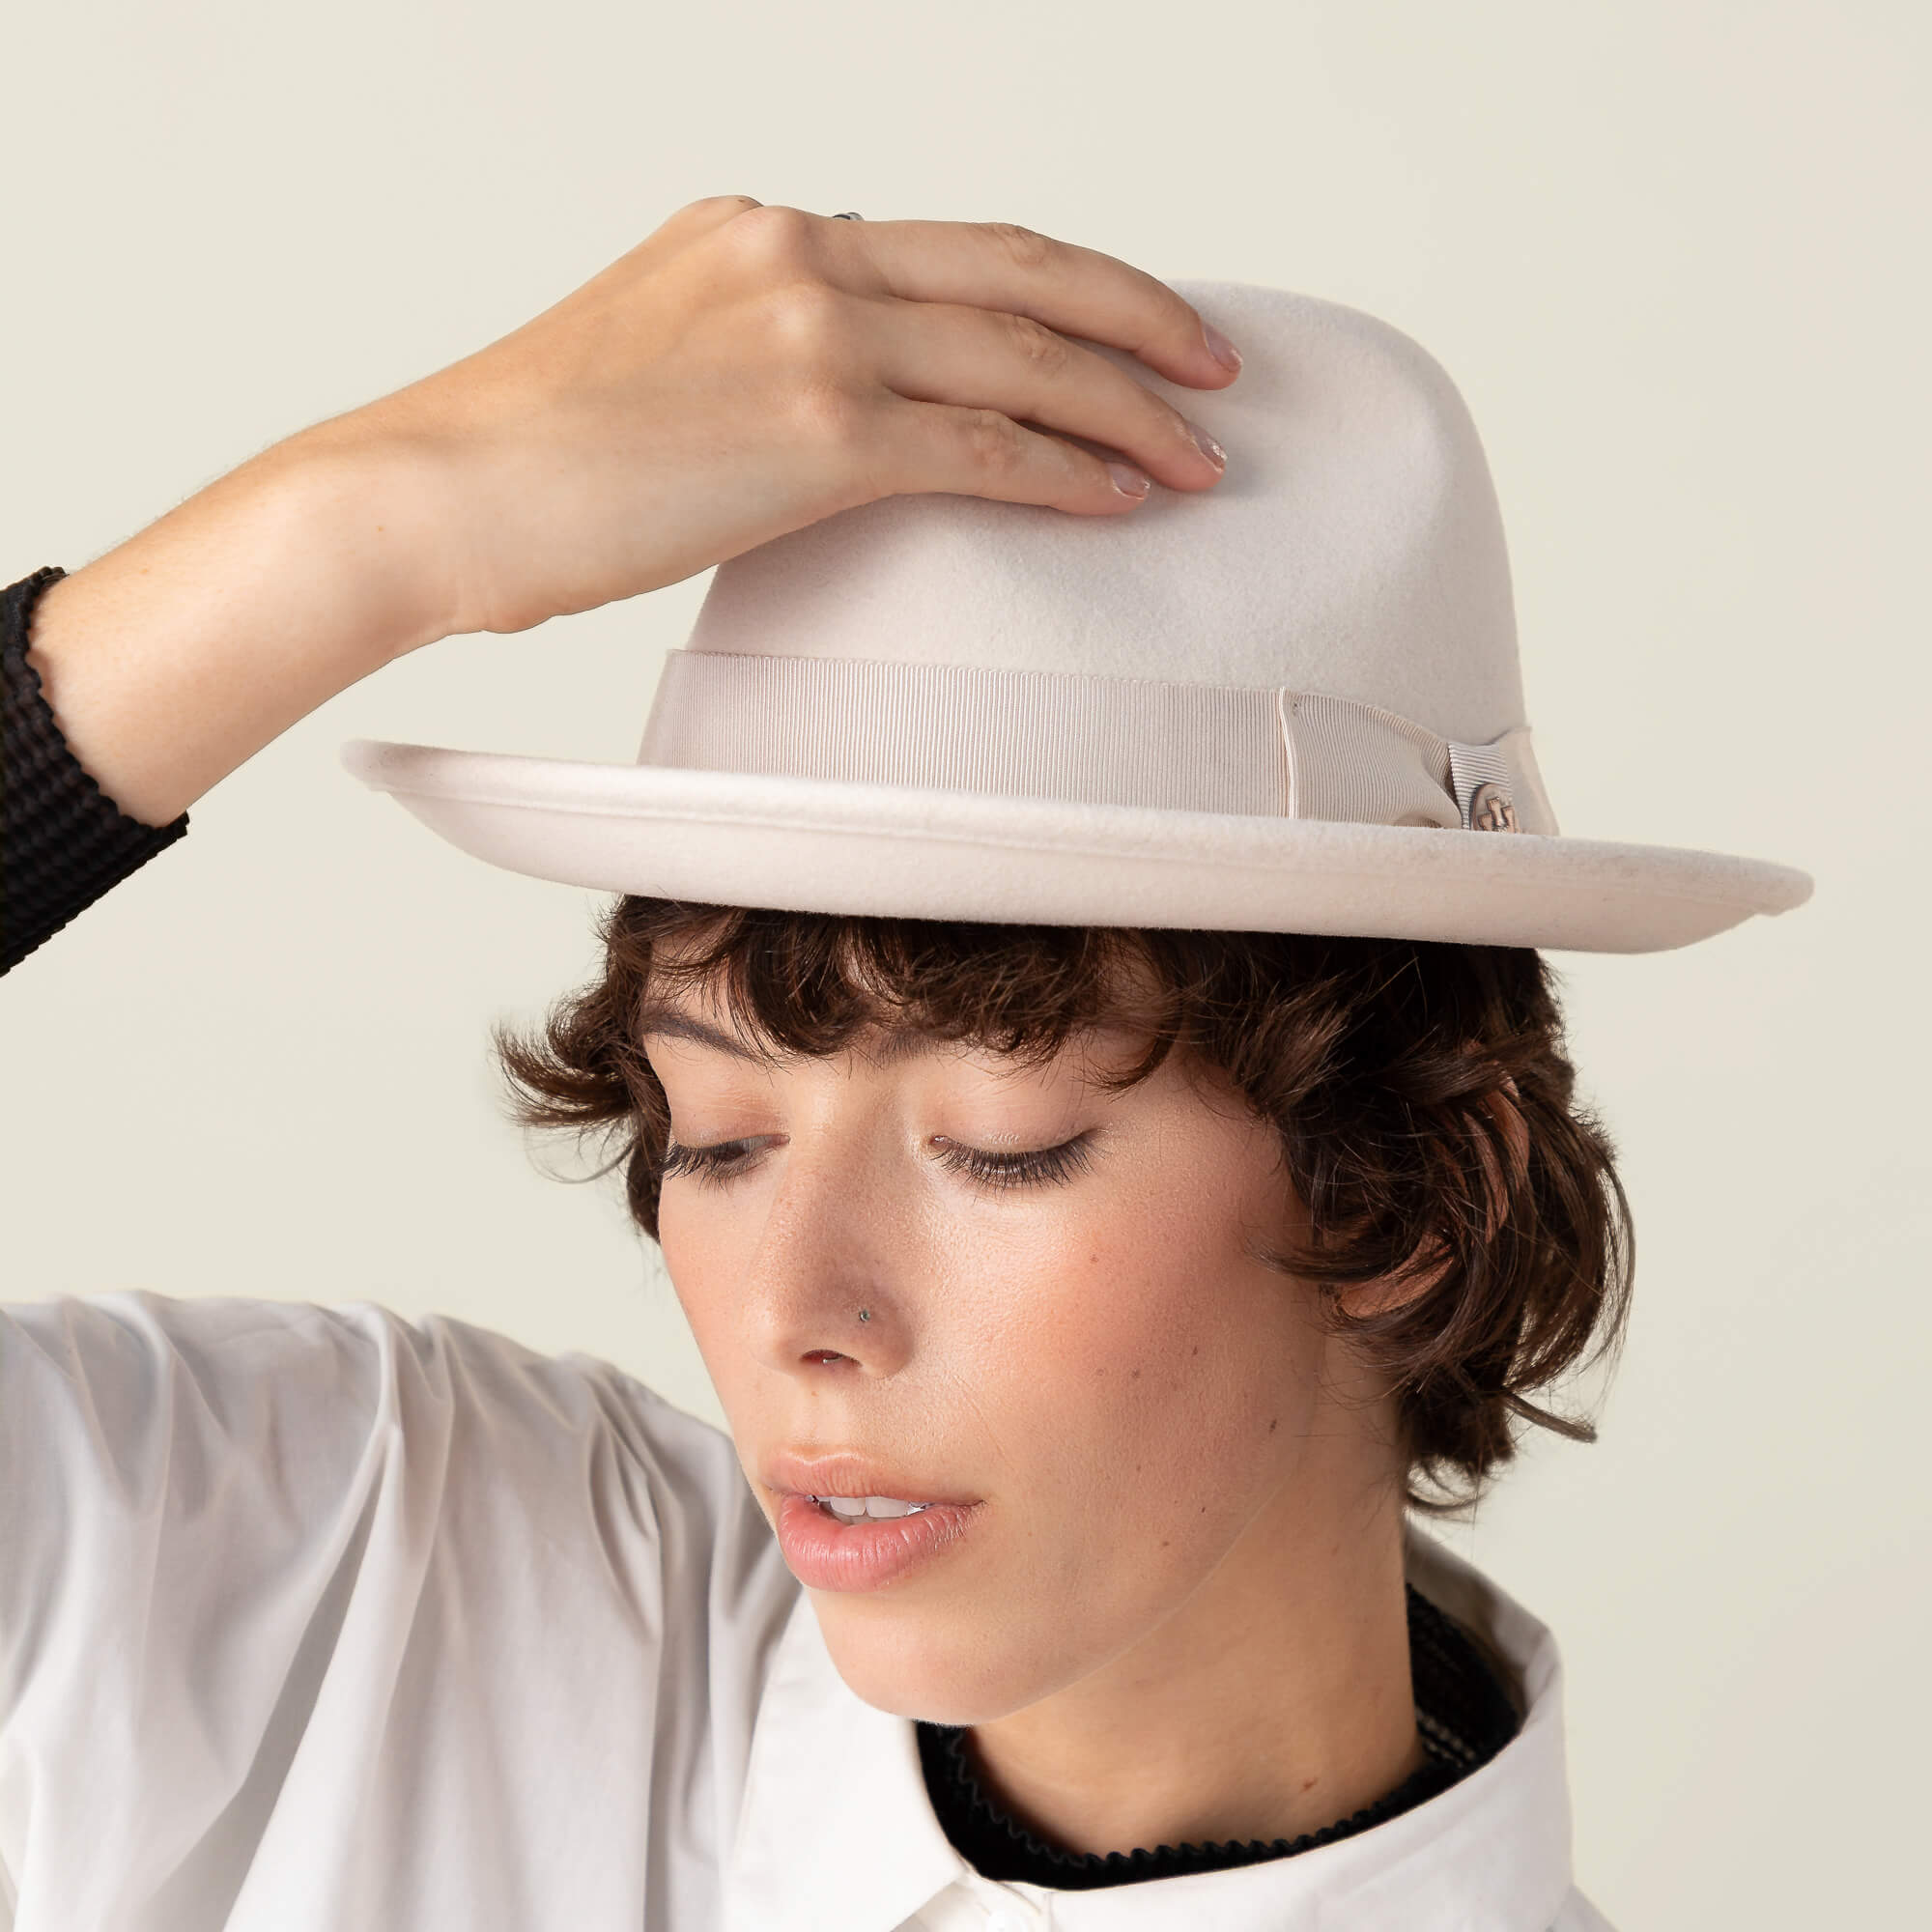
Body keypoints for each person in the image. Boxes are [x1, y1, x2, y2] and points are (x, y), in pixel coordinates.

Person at [0, 197, 1809, 1929]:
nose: (801, 1312)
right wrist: (361, 528)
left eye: (997, 1147)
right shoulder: (373, 1584)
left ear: (1415, 1188)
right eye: (715, 1139)